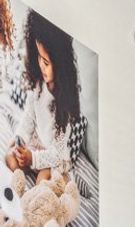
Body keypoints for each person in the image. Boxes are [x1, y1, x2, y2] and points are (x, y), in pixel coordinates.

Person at [5, 10, 81, 184]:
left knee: (44, 179)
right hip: (35, 147)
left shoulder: (64, 104)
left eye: (46, 62)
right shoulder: (38, 86)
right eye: (38, 58)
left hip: (51, 159)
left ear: (60, 65)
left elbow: (57, 154)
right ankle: (19, 189)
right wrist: (20, 142)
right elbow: (28, 119)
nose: (41, 66)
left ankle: (34, 198)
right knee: (10, 156)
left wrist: (33, 158)